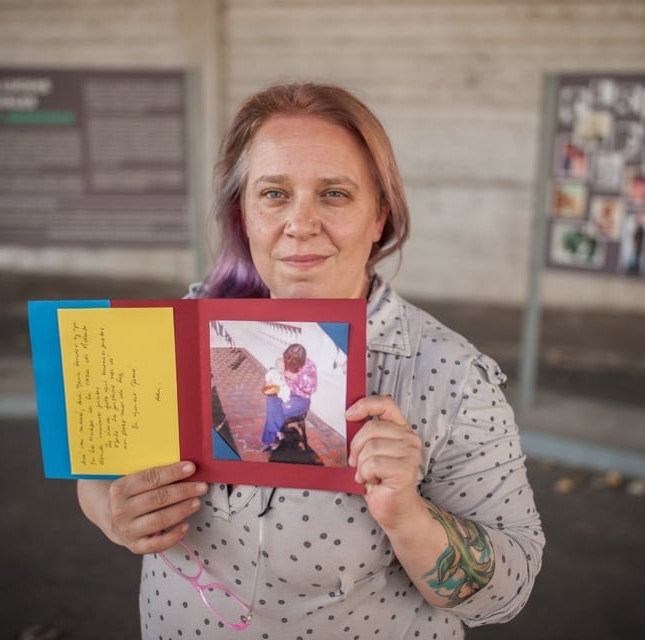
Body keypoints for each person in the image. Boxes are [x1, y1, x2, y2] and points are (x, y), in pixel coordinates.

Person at [76, 82, 544, 638]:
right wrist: (111, 508)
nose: (301, 223)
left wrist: (409, 518)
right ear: (244, 215)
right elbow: (98, 466)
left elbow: (507, 593)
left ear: (379, 218)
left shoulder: (450, 376)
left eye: (335, 194)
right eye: (274, 194)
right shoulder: (183, 326)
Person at [261, 343, 316, 452]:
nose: (287, 365)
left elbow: (312, 388)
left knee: (277, 411)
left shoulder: (309, 366)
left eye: (290, 364)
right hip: (282, 392)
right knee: (270, 398)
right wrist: (270, 381)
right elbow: (275, 368)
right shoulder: (286, 359)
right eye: (286, 361)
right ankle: (277, 433)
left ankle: (273, 440)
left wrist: (295, 377)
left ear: (300, 363)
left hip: (300, 398)